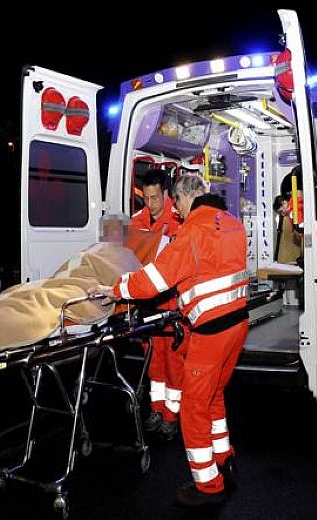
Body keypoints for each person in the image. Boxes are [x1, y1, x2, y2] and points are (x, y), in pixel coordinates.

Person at [90, 174, 248, 507]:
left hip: (211, 331)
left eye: (176, 203)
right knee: (214, 396)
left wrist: (116, 290)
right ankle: (224, 458)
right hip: (237, 324)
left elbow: (156, 280)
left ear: (183, 197)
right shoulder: (232, 224)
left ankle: (208, 485)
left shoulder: (193, 230)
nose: (176, 210)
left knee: (193, 407)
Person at [130, 169, 183, 439]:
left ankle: (172, 416)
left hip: (171, 304)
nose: (150, 204)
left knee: (174, 364)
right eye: (146, 199)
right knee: (153, 362)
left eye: (155, 198)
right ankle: (156, 409)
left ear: (166, 194)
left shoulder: (179, 220)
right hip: (147, 303)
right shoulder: (136, 221)